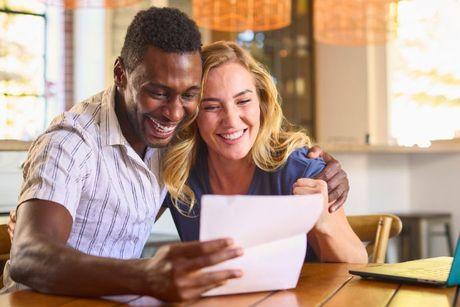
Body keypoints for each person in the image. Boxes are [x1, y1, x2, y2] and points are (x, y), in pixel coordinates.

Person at [4, 7, 350, 302]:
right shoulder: (71, 142)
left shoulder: (168, 141)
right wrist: (145, 276)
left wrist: (325, 167)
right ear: (121, 74)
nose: (173, 113)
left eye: (188, 95)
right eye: (158, 92)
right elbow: (28, 256)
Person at [162, 41, 367, 263]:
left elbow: (357, 261)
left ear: (261, 102)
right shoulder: (178, 173)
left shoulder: (301, 168)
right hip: (209, 298)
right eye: (211, 106)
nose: (231, 120)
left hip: (303, 297)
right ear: (192, 115)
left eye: (243, 101)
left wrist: (324, 224)